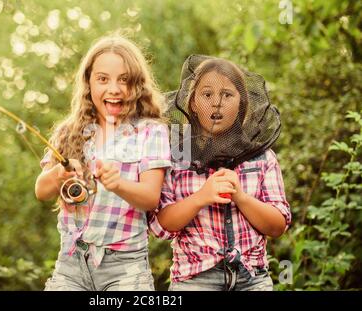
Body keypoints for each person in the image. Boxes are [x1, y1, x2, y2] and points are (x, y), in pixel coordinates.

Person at [35, 34, 171, 291]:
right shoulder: (68, 131)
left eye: (124, 80)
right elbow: (41, 191)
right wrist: (58, 175)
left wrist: (118, 184)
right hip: (70, 265)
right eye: (102, 79)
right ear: (88, 83)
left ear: (138, 85)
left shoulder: (150, 131)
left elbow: (151, 198)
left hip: (126, 269)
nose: (114, 89)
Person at [149, 56, 291, 291]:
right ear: (192, 103)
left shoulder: (261, 157)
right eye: (207, 95)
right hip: (195, 280)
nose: (217, 103)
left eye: (227, 95)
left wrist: (241, 197)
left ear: (241, 103)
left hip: (252, 279)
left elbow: (278, 227)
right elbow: (161, 227)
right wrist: (202, 196)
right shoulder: (176, 156)